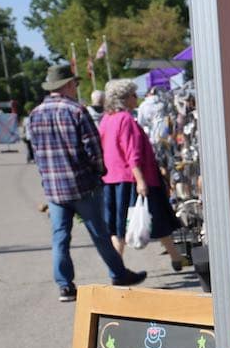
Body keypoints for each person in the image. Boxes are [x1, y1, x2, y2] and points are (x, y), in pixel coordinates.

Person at [30, 64, 146, 302]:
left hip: (54, 189)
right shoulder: (76, 111)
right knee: (100, 234)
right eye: (75, 84)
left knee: (60, 237)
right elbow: (93, 149)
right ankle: (118, 274)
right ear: (69, 85)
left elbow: (36, 152)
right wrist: (99, 172)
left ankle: (65, 285)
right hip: (82, 185)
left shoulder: (35, 114)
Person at [98, 79, 188, 270]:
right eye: (132, 94)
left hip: (112, 179)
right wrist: (140, 180)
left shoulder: (106, 119)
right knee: (151, 218)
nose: (135, 98)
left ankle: (175, 256)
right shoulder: (126, 119)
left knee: (119, 224)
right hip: (133, 178)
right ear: (124, 98)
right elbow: (133, 152)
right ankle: (118, 268)